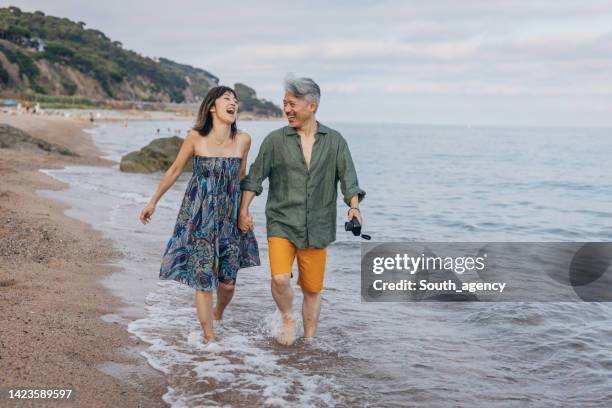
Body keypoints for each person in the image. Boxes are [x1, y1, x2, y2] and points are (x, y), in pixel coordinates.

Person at [239, 75, 365, 345]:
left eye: (292, 104)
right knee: (280, 278)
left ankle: (309, 343)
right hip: (281, 221)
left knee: (311, 289)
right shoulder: (275, 141)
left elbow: (349, 179)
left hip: (317, 226)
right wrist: (243, 210)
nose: (286, 109)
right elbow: (254, 177)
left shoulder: (335, 141)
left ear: (312, 106)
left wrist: (354, 208)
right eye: (284, 103)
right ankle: (287, 317)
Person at [139, 86, 260, 342]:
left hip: (228, 218)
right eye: (226, 98)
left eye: (235, 101)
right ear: (212, 107)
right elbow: (174, 170)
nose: (233, 103)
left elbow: (241, 178)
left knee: (228, 283)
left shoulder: (244, 140)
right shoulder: (195, 137)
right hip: (199, 216)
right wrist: (153, 202)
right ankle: (209, 339)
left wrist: (244, 211)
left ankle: (218, 312)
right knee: (203, 279)